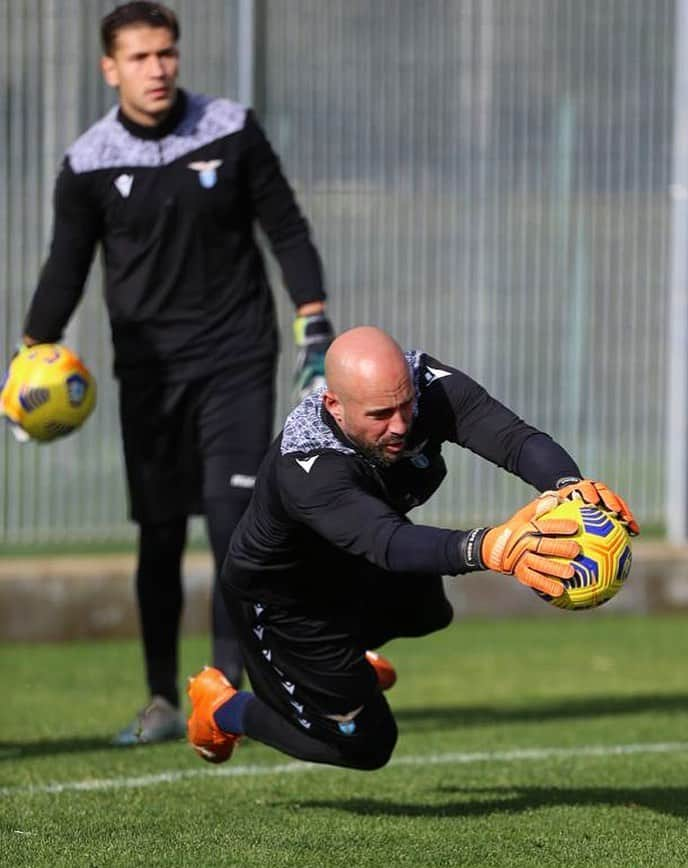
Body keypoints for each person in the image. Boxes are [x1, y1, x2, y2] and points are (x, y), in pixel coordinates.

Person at [15, 1, 334, 745]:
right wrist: (30, 355)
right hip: (151, 376)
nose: (156, 69)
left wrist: (312, 318)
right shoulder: (89, 162)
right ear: (110, 68)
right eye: (139, 57)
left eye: (166, 53)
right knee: (159, 536)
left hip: (237, 358)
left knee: (233, 525)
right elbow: (66, 269)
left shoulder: (229, 128)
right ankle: (161, 698)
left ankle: (225, 691)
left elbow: (285, 226)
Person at [186, 326, 639, 770]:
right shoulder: (307, 467)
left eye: (405, 405)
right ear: (334, 406)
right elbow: (388, 541)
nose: (400, 424)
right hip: (284, 606)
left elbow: (513, 439)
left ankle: (348, 659)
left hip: (348, 566)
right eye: (381, 414)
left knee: (427, 610)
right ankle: (223, 709)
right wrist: (490, 546)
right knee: (366, 747)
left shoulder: (426, 385)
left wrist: (570, 486)